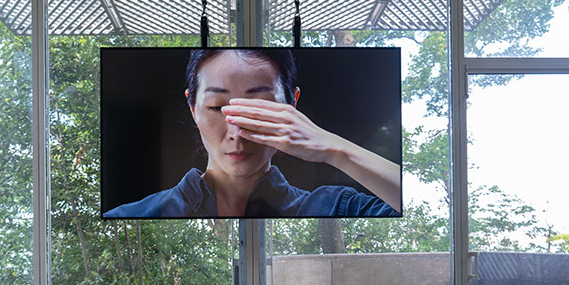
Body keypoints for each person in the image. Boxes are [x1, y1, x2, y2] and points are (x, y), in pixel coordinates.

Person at [103, 49, 401, 218]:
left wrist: (336, 149)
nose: (238, 133)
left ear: (292, 106)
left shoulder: (336, 208)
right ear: (193, 108)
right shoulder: (132, 215)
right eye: (217, 107)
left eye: (259, 108)